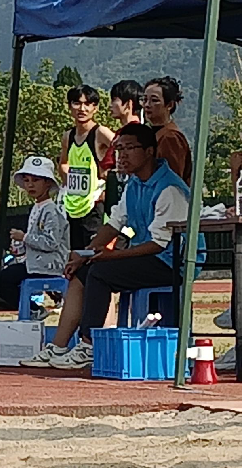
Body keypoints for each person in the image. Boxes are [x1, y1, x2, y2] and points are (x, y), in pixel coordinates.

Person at [22, 124, 202, 369]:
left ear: (149, 151)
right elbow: (115, 223)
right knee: (83, 271)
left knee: (100, 273)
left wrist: (111, 256)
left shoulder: (169, 188)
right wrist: (86, 253)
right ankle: (58, 346)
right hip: (150, 254)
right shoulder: (134, 184)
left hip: (173, 262)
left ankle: (89, 345)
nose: (122, 155)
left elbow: (158, 245)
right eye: (119, 149)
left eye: (129, 148)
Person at [0, 157, 69, 316]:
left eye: (35, 180)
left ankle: (33, 309)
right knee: (1, 277)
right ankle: (25, 307)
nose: (30, 185)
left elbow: (51, 242)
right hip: (35, 263)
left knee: (2, 279)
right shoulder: (37, 207)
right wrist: (20, 246)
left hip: (48, 266)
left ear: (47, 183)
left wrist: (24, 237)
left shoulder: (51, 210)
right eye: (27, 180)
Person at [59, 85, 114, 250]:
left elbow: (124, 150)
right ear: (70, 106)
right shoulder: (68, 136)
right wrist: (68, 181)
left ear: (95, 108)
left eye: (88, 104)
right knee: (74, 252)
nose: (82, 109)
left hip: (94, 206)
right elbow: (63, 162)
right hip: (73, 206)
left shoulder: (100, 133)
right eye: (77, 103)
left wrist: (108, 185)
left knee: (92, 252)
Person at [100, 80, 143, 216]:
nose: (110, 105)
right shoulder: (126, 132)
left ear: (128, 104)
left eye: (114, 100)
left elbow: (105, 169)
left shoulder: (128, 135)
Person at [143, 76, 192, 186]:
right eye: (145, 100)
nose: (147, 105)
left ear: (169, 105)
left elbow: (172, 179)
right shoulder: (151, 134)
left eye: (154, 100)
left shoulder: (171, 137)